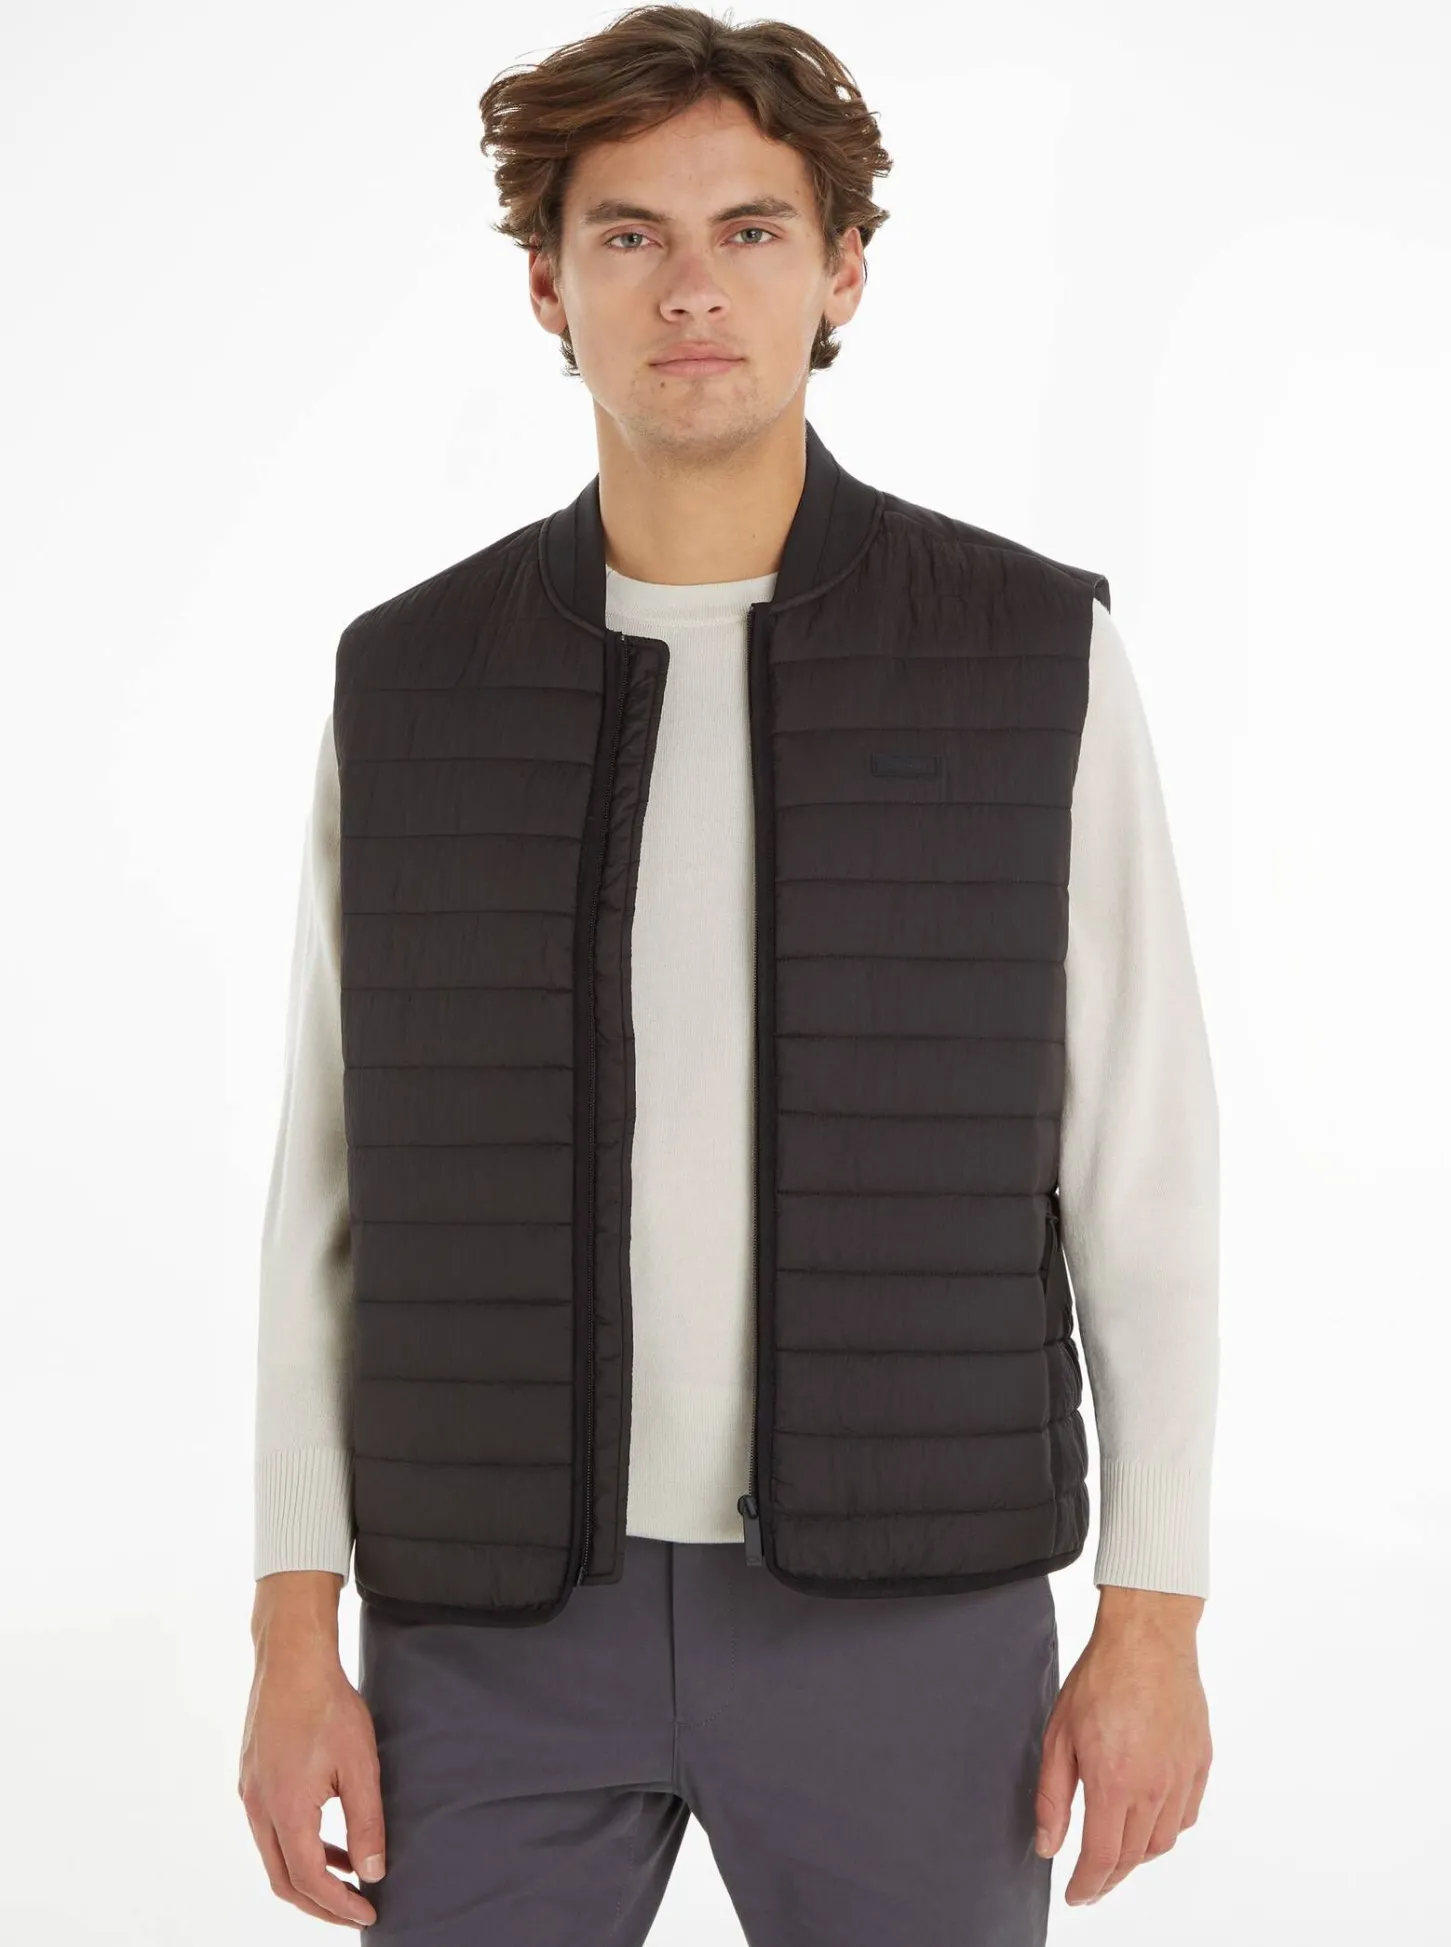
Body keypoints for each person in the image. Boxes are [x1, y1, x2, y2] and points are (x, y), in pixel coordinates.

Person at [238, 8, 1218, 1941]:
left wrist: (1156, 1614)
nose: (692, 289)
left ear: (841, 268)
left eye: (751, 231)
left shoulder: (1027, 657)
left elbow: (1144, 1166)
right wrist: (290, 1633)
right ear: (548, 285)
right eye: (630, 236)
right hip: (490, 1627)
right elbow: (327, 1192)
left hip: (912, 1625)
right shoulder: (412, 683)